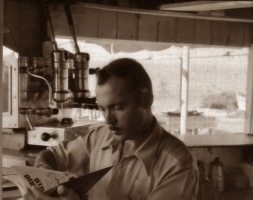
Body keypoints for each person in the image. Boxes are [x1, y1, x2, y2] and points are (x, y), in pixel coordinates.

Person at [25, 58, 199, 200]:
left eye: (117, 107)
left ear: (146, 100)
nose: (108, 120)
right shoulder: (99, 137)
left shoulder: (177, 164)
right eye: (102, 109)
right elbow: (50, 155)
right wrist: (43, 176)